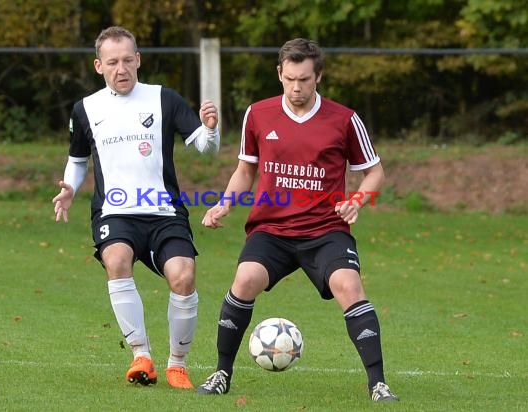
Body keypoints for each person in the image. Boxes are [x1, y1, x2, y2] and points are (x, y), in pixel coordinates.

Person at [196, 38, 398, 402]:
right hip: (272, 229)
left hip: (325, 230)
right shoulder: (258, 114)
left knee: (349, 286)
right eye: (289, 79)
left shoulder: (345, 119)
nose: (296, 87)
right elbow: (245, 170)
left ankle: (378, 384)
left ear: (318, 76)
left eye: (304, 79)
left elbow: (375, 173)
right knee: (245, 280)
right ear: (279, 74)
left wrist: (357, 200)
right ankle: (222, 372)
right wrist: (224, 204)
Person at [52, 26, 220, 390]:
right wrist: (70, 189)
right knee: (116, 260)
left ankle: (177, 364)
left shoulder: (164, 99)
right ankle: (141, 354)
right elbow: (78, 160)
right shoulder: (86, 109)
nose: (121, 68)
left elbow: (204, 146)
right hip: (115, 212)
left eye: (128, 60)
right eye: (112, 62)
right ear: (99, 65)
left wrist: (211, 129)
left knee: (184, 276)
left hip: (164, 212)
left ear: (138, 60)